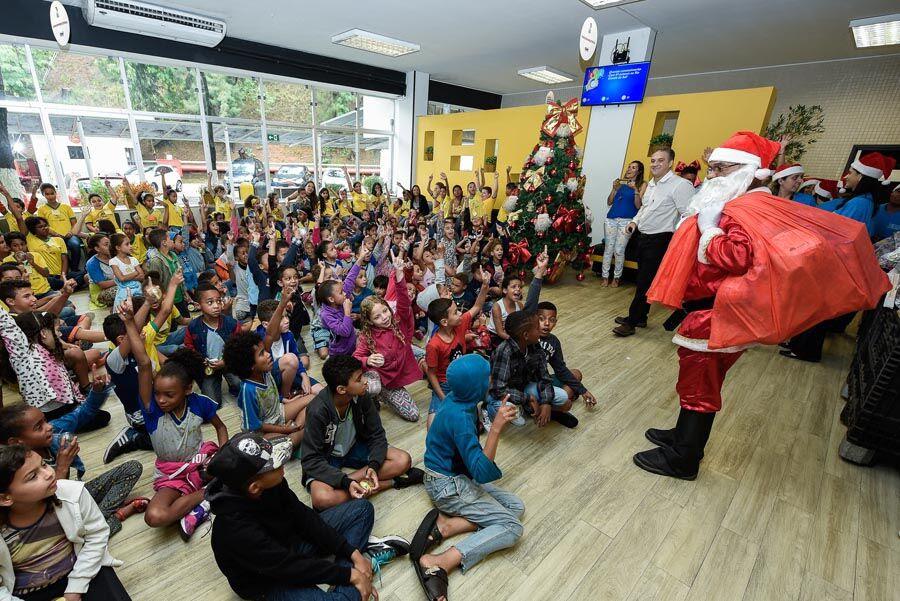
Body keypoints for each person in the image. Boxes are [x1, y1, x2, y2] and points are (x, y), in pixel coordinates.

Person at [634, 131, 889, 480]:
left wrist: (710, 231)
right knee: (698, 380)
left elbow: (737, 257)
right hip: (710, 309)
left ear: (744, 169)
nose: (712, 176)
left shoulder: (743, 210)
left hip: (716, 313)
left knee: (701, 384)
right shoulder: (740, 202)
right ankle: (681, 436)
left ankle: (683, 457)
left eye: (719, 169)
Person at [207, 431, 409, 601]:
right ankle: (360, 574)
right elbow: (287, 566)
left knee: (362, 510)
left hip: (290, 544)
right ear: (254, 487)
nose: (281, 464)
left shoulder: (270, 484)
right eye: (274, 465)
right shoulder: (235, 529)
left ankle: (359, 567)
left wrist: (351, 554)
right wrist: (348, 575)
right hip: (269, 579)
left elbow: (304, 517)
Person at [411, 355, 523, 601]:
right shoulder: (460, 417)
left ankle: (448, 525)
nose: (491, 379)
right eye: (487, 377)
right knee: (512, 527)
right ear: (476, 386)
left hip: (454, 476)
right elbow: (481, 470)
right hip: (447, 486)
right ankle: (441, 561)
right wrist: (496, 427)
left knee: (516, 506)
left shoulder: (460, 399)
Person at [119, 295, 229, 539]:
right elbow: (144, 363)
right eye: (157, 393)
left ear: (187, 389)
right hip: (171, 475)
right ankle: (207, 497)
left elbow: (220, 428)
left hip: (201, 465)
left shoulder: (199, 404)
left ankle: (206, 493)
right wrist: (128, 322)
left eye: (169, 395)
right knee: (155, 517)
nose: (161, 400)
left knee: (236, 466)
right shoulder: (152, 411)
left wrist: (221, 455)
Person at [0, 374, 146, 537]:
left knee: (132, 468)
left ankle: (98, 519)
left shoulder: (52, 433)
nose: (49, 427)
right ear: (16, 442)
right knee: (78, 538)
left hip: (73, 496)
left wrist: (96, 391)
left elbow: (81, 414)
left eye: (45, 421)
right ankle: (115, 517)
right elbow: (47, 508)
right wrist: (62, 467)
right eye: (38, 427)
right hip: (53, 518)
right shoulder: (13, 470)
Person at [0, 445, 132, 600]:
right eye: (32, 476)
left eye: (43, 464)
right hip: (28, 592)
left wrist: (76, 587)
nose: (49, 473)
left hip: (80, 568)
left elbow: (97, 535)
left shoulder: (72, 493)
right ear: (5, 498)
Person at [300, 355, 423, 511]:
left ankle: (354, 484)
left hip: (353, 447)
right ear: (341, 389)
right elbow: (310, 460)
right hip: (327, 457)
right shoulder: (318, 410)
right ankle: (390, 483)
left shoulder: (361, 394)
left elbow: (376, 433)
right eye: (359, 379)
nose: (365, 381)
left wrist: (373, 465)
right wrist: (344, 481)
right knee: (322, 499)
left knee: (403, 460)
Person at [613, 148, 696, 337]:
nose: (655, 164)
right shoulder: (651, 184)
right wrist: (635, 221)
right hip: (643, 237)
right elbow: (644, 208)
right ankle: (641, 317)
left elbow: (689, 214)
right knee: (643, 279)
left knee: (644, 282)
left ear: (670, 163)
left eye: (660, 161)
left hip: (661, 239)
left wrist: (679, 241)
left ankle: (632, 322)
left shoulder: (680, 185)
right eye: (653, 161)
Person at [353, 251, 422, 422]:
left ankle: (383, 394)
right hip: (379, 377)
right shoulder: (366, 335)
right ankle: (374, 395)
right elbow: (356, 358)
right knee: (374, 386)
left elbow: (404, 301)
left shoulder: (400, 321)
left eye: (384, 311)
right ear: (369, 321)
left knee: (413, 415)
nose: (384, 317)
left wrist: (399, 274)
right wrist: (367, 361)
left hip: (396, 378)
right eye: (376, 317)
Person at [487, 310, 578, 429]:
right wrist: (527, 398)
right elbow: (498, 389)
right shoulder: (504, 352)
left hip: (524, 387)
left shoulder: (535, 346)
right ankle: (489, 408)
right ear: (526, 335)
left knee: (563, 397)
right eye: (536, 328)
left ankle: (533, 409)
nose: (540, 329)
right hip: (504, 393)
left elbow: (544, 377)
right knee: (516, 418)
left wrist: (546, 403)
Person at [424, 272, 490, 427]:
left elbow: (477, 306)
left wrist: (485, 286)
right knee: (432, 426)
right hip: (445, 384)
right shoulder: (434, 345)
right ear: (445, 321)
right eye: (455, 312)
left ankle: (480, 410)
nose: (460, 313)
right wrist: (442, 396)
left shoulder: (459, 325)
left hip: (463, 378)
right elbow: (431, 374)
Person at [184, 282, 245, 404]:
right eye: (210, 302)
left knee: (240, 385)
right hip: (208, 367)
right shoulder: (193, 327)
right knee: (212, 403)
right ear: (198, 305)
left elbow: (241, 347)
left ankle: (233, 387)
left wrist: (226, 361)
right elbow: (189, 348)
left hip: (229, 362)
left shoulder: (232, 324)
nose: (216, 306)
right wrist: (202, 361)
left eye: (219, 301)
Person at [536, 301, 598, 405]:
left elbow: (561, 369)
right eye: (541, 319)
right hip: (530, 387)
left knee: (576, 374)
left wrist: (583, 391)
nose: (547, 323)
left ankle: (552, 406)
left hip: (545, 381)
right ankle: (551, 406)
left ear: (556, 322)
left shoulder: (554, 341)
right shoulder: (528, 337)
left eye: (551, 320)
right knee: (566, 403)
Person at [318, 246, 370, 358]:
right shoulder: (326, 314)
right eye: (341, 292)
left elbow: (351, 278)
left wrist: (360, 258)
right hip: (340, 353)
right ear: (331, 299)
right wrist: (347, 312)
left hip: (353, 345)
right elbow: (344, 331)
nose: (345, 294)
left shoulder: (339, 298)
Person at [601, 160, 645, 286]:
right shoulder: (620, 184)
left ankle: (616, 278)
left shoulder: (642, 185)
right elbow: (609, 202)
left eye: (633, 167)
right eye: (629, 167)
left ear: (639, 171)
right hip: (611, 219)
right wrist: (614, 189)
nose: (629, 169)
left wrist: (635, 190)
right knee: (608, 249)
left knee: (619, 250)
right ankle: (605, 277)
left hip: (627, 221)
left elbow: (638, 206)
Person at [834, 152, 896, 237]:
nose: (846, 177)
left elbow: (837, 230)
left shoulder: (859, 203)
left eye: (850, 173)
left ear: (860, 176)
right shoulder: (866, 200)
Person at [35, 183, 81, 270]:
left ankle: (75, 269)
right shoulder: (41, 209)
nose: (50, 196)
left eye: (52, 193)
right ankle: (66, 271)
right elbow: (43, 226)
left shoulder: (66, 207)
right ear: (43, 195)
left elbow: (74, 223)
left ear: (56, 193)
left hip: (69, 235)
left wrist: (70, 232)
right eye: (47, 194)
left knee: (75, 245)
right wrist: (56, 234)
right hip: (53, 236)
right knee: (56, 249)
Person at [108, 233, 144, 309]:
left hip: (138, 289)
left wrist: (126, 277)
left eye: (130, 243)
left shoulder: (133, 259)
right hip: (124, 291)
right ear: (118, 247)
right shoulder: (114, 261)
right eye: (127, 244)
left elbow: (142, 276)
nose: (130, 246)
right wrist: (135, 273)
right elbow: (121, 279)